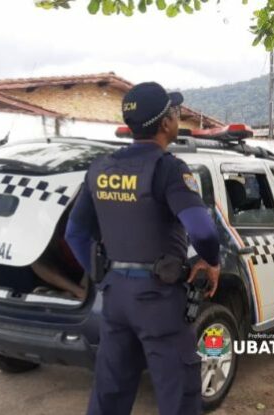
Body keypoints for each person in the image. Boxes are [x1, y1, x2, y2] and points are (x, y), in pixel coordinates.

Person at [64, 82, 221, 415]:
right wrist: (211, 261)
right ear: (166, 123)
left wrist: (102, 276)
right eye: (175, 114)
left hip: (115, 298)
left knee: (111, 391)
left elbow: (75, 233)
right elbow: (203, 229)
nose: (178, 119)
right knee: (178, 392)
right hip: (159, 300)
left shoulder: (100, 168)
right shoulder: (168, 169)